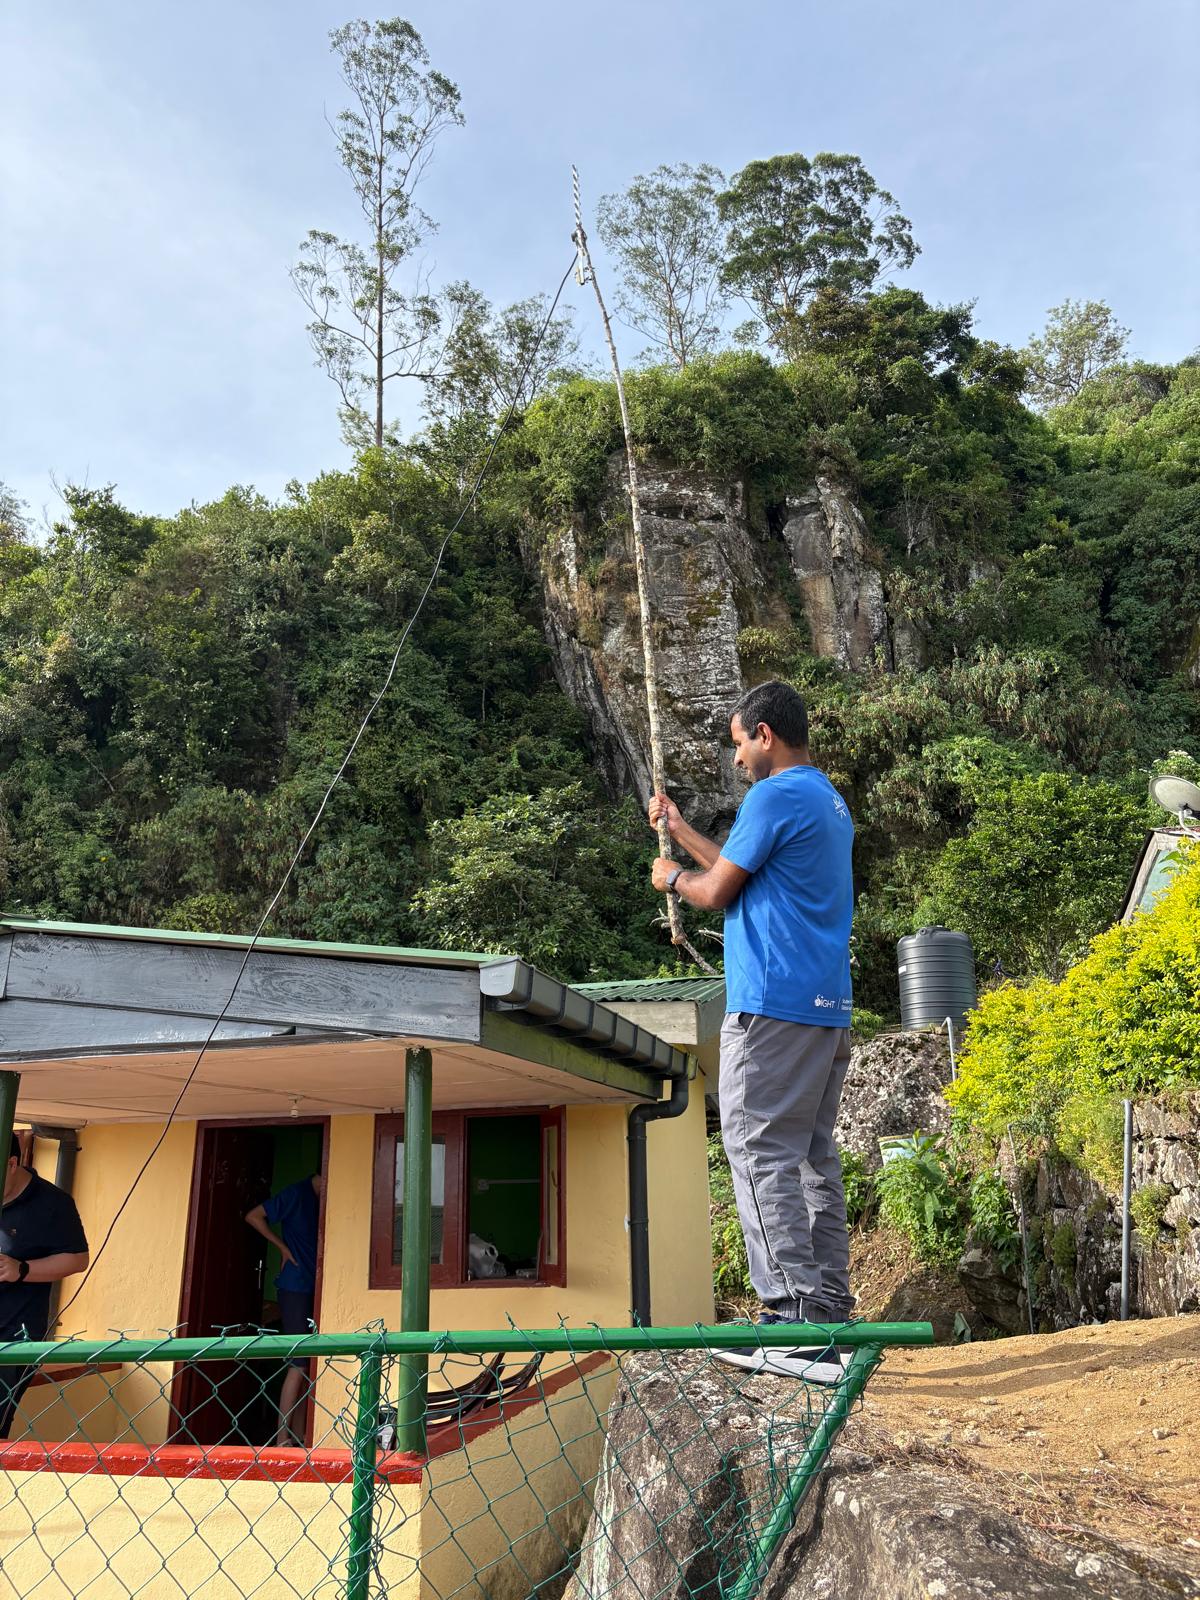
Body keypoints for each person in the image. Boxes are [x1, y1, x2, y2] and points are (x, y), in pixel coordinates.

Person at [648, 680, 855, 1382]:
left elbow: (715, 891)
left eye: (739, 742)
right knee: (808, 1158)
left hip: (771, 1006)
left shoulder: (773, 795)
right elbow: (740, 869)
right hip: (824, 1009)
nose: (737, 758)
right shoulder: (825, 799)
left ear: (764, 733)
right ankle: (830, 1313)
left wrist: (670, 878)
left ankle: (792, 1318)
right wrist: (679, 831)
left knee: (757, 1146)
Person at [0, 1135, 90, 1436]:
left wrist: (21, 1269)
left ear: (12, 1164)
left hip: (14, 1338)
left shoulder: (52, 1204)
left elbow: (77, 1260)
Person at [245, 1174, 322, 1446]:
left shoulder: (319, 1200)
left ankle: (302, 1435)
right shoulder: (295, 1193)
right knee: (298, 1364)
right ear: (320, 1176)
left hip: (315, 1286)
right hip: (294, 1287)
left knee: (310, 1364)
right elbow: (253, 1216)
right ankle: (281, 1438)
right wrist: (282, 1248)